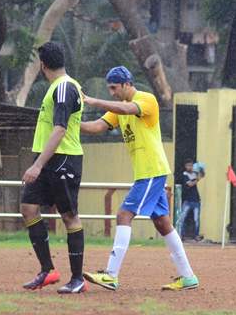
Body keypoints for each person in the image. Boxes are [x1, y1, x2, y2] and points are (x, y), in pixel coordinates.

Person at [81, 66, 199, 291]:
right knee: (163, 223)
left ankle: (111, 275)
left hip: (151, 173)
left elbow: (127, 110)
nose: (112, 92)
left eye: (114, 88)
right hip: (148, 174)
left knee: (124, 214)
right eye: (109, 89)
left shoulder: (147, 100)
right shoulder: (119, 109)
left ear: (127, 84)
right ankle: (188, 277)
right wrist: (70, 125)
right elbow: (97, 126)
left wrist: (94, 102)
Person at [20, 42, 87, 294]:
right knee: (28, 208)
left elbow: (60, 129)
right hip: (47, 159)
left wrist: (37, 165)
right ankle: (47, 270)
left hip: (63, 159)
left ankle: (77, 279)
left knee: (69, 216)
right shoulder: (57, 88)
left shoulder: (64, 88)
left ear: (43, 65)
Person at [177, 159, 203, 241]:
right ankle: (181, 235)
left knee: (196, 219)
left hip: (196, 199)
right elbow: (190, 184)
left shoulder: (195, 174)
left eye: (191, 165)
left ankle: (196, 235)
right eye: (188, 165)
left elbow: (202, 174)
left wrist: (201, 170)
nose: (190, 167)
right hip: (187, 200)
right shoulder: (184, 175)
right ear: (185, 166)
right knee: (182, 218)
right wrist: (198, 179)